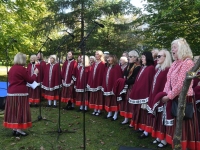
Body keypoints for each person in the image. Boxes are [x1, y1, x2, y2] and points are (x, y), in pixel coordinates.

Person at [159, 38, 200, 149]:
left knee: (184, 125)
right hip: (174, 97)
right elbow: (168, 81)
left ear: (182, 48)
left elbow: (182, 84)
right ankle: (177, 145)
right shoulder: (175, 63)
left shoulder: (188, 63)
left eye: (175, 47)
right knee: (177, 125)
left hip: (184, 98)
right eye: (172, 47)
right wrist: (165, 93)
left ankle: (185, 146)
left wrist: (169, 96)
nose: (172, 50)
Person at [3, 52, 39, 136]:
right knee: (20, 110)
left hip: (11, 92)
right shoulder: (22, 69)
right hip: (20, 93)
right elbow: (30, 80)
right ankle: (19, 130)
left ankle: (14, 128)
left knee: (13, 111)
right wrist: (35, 73)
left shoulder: (12, 68)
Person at [140, 50, 172, 141]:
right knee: (157, 118)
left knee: (162, 118)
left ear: (166, 58)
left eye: (159, 56)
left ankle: (164, 139)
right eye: (157, 56)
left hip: (163, 97)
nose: (157, 58)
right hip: (155, 95)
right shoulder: (157, 68)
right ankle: (159, 136)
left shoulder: (168, 69)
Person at [129, 51, 155, 132]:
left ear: (148, 58)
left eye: (143, 57)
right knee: (139, 111)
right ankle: (139, 126)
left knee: (144, 112)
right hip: (139, 92)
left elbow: (149, 81)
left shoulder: (150, 68)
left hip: (145, 94)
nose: (142, 59)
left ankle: (145, 130)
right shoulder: (143, 67)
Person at [119, 50, 141, 124]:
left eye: (131, 57)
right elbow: (125, 74)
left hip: (132, 87)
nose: (129, 58)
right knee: (125, 102)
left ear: (135, 58)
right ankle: (126, 118)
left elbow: (134, 79)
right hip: (126, 85)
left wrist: (125, 81)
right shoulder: (129, 65)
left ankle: (132, 120)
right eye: (129, 56)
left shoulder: (138, 66)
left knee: (131, 103)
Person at [102, 54, 122, 121]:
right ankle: (109, 113)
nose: (108, 59)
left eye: (109, 58)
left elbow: (117, 78)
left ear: (113, 58)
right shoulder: (108, 66)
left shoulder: (117, 67)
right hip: (107, 86)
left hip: (113, 87)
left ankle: (115, 114)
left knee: (114, 100)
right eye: (107, 58)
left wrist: (115, 87)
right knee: (108, 99)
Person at [88, 50, 105, 116]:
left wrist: (101, 83)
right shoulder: (95, 63)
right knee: (94, 96)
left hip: (99, 83)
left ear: (100, 55)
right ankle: (95, 109)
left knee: (98, 96)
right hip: (93, 82)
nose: (96, 55)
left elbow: (102, 74)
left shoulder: (102, 64)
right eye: (95, 54)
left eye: (97, 54)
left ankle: (99, 110)